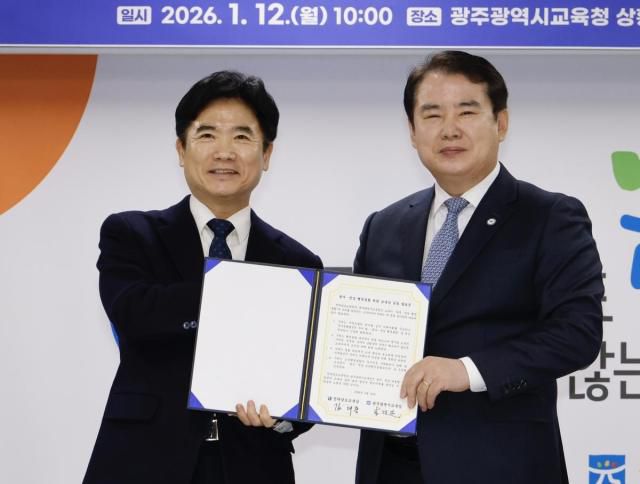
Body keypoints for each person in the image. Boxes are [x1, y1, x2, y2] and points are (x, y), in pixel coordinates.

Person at [354, 51, 603, 483]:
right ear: (412, 131)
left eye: (467, 112)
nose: (449, 129)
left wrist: (466, 370)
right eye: (432, 114)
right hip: (391, 466)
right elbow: (354, 335)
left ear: (501, 123)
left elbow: (577, 334)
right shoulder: (384, 225)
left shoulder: (549, 217)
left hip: (501, 464)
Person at [83, 71, 322, 484]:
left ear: (267, 154)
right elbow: (136, 315)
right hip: (143, 460)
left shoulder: (298, 263)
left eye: (242, 137)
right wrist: (239, 292)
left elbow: (307, 381)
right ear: (181, 149)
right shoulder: (132, 234)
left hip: (253, 465)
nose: (224, 152)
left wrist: (286, 418)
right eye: (207, 135)